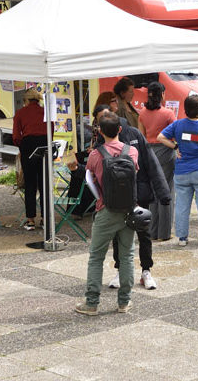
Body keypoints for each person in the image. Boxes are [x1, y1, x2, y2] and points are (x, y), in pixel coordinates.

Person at [70, 105, 170, 290]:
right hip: (114, 198)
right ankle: (120, 273)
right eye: (100, 118)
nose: (102, 121)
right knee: (119, 238)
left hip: (137, 195)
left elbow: (151, 163)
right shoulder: (100, 143)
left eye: (105, 117)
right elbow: (93, 171)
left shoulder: (134, 137)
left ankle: (146, 271)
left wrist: (163, 193)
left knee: (143, 234)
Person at [74, 112, 139, 316]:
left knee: (96, 257)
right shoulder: (133, 152)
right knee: (127, 255)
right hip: (129, 210)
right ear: (120, 129)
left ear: (100, 132)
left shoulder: (96, 154)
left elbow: (91, 176)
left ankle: (92, 303)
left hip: (105, 209)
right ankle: (124, 302)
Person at [157, 94, 198, 248]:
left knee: (181, 206)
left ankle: (182, 238)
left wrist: (176, 146)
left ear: (185, 109)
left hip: (182, 171)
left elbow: (160, 137)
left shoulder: (178, 125)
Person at [138, 81, 176, 241]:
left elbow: (142, 136)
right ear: (162, 94)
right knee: (166, 190)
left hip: (148, 152)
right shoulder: (168, 113)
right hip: (165, 151)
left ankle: (153, 232)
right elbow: (174, 133)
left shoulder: (142, 113)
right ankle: (165, 232)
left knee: (153, 192)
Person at [12, 88, 52, 231]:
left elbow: (16, 136)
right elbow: (51, 130)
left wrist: (21, 146)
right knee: (44, 184)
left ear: (26, 100)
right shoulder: (45, 112)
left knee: (30, 184)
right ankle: (45, 218)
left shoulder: (20, 113)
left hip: (28, 146)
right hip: (45, 146)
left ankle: (30, 220)